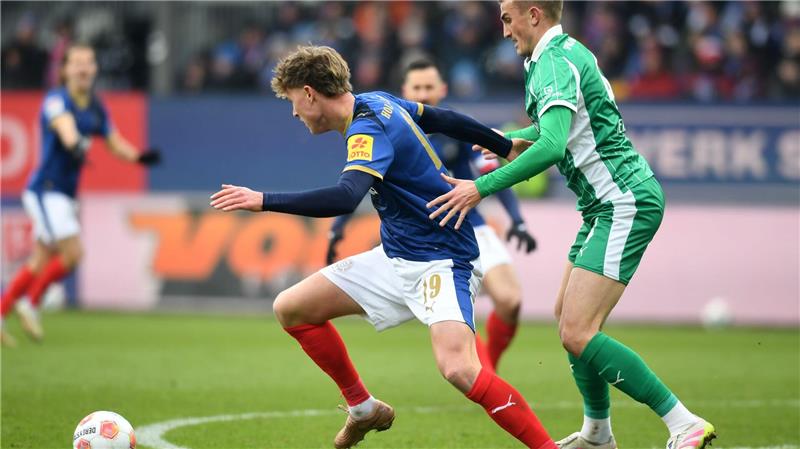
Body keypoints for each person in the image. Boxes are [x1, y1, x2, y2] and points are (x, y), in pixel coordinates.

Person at [210, 45, 556, 449]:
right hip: (397, 256)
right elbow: (443, 118)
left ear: (308, 94)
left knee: (460, 369)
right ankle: (362, 408)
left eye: (291, 102)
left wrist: (263, 200)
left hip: (441, 259)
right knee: (291, 308)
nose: (294, 113)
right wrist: (502, 144)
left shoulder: (366, 128)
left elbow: (344, 197)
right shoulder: (380, 101)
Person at [426, 2, 716, 449]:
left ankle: (683, 422)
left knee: (579, 330)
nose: (504, 31)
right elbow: (565, 134)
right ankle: (597, 433)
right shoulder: (563, 54)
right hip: (602, 205)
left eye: (507, 18)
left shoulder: (554, 62)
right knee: (569, 320)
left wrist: (479, 189)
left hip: (622, 200)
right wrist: (526, 142)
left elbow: (556, 145)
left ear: (534, 14)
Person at [327, 58, 537, 372]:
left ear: (442, 89)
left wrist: (517, 220)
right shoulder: (391, 126)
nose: (423, 94)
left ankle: (488, 367)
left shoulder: (455, 128)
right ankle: (482, 373)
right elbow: (357, 181)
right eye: (417, 88)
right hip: (421, 235)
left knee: (510, 301)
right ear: (404, 91)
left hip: (469, 224)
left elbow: (489, 171)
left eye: (429, 87)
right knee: (449, 317)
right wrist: (339, 227)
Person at [0, 44, 161, 346]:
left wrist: (139, 158)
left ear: (96, 69)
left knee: (39, 260)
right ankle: (30, 304)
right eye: (77, 63)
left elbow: (113, 142)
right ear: (65, 70)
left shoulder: (97, 107)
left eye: (88, 62)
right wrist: (74, 143)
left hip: (61, 194)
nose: (84, 68)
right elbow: (64, 126)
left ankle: (4, 311)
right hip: (47, 190)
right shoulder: (56, 100)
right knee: (73, 254)